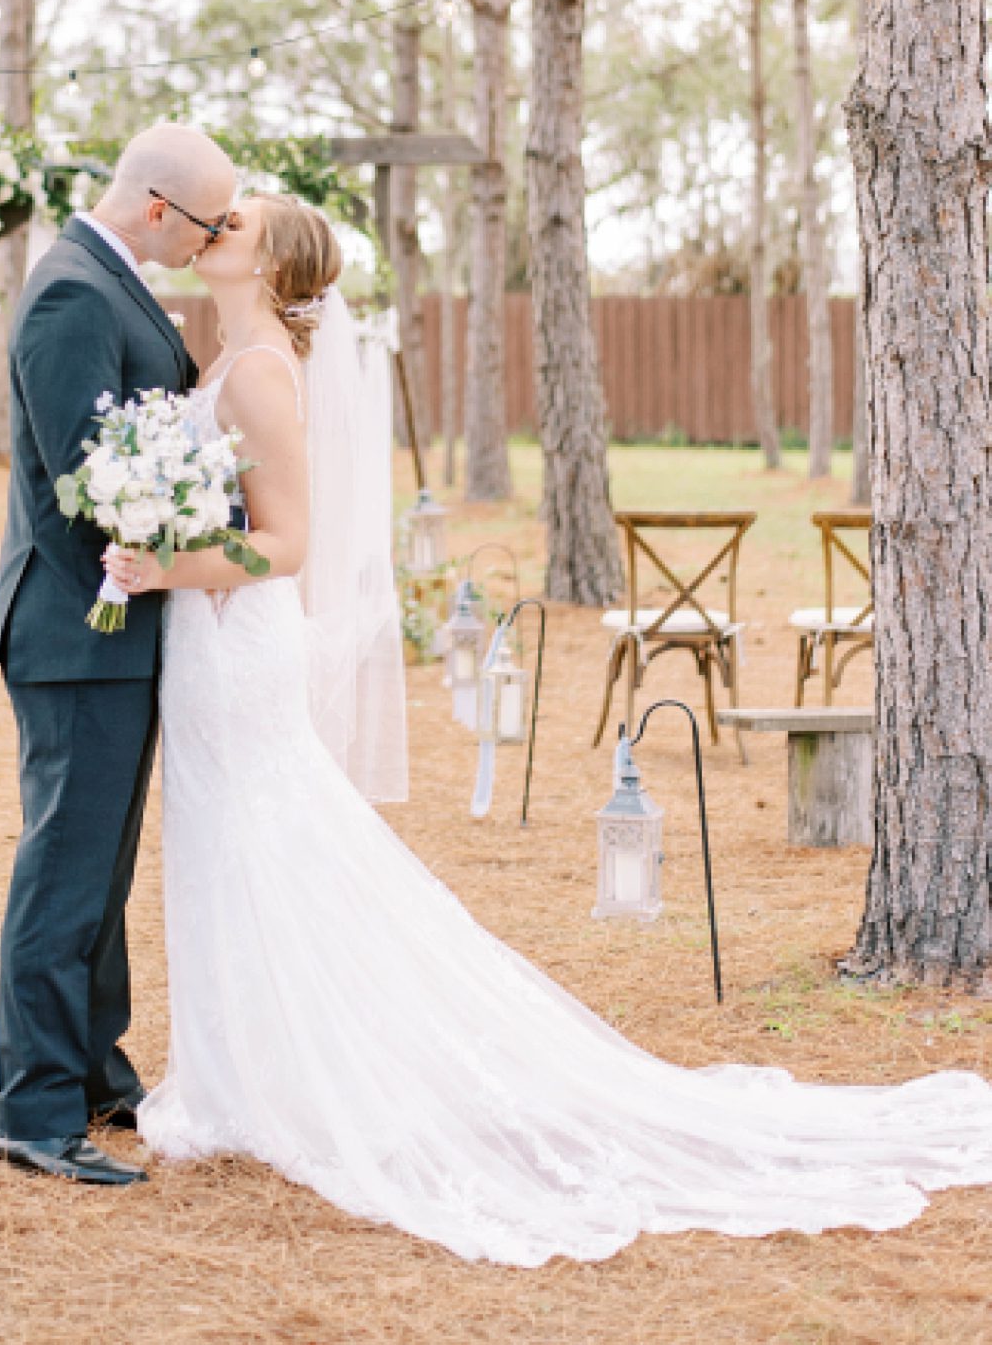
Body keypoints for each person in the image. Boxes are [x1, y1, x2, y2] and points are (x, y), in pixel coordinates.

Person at [102, 192, 992, 1266]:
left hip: (235, 639)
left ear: (276, 270)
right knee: (222, 851)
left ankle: (271, 1081)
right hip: (205, 640)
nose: (215, 228)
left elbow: (287, 544)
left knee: (260, 844)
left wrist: (167, 566)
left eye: (236, 225)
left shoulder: (254, 374)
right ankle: (237, 1071)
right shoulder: (227, 357)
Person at [0, 123, 236, 1188]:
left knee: (103, 870)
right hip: (79, 628)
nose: (213, 239)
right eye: (209, 223)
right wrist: (140, 572)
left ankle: (93, 1067)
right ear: (154, 209)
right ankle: (32, 1108)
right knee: (65, 869)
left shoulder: (111, 280)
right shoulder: (73, 292)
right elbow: (71, 485)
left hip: (121, 632)